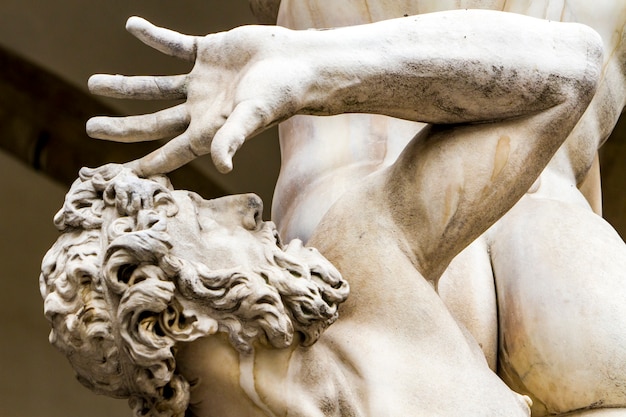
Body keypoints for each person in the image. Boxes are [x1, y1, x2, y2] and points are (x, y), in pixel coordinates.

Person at [79, 6, 614, 417]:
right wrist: (311, 65)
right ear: (177, 312)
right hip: (550, 220)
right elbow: (574, 69)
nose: (245, 205)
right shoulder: (360, 273)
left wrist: (308, 65)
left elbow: (575, 69)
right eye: (202, 217)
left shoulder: (358, 274)